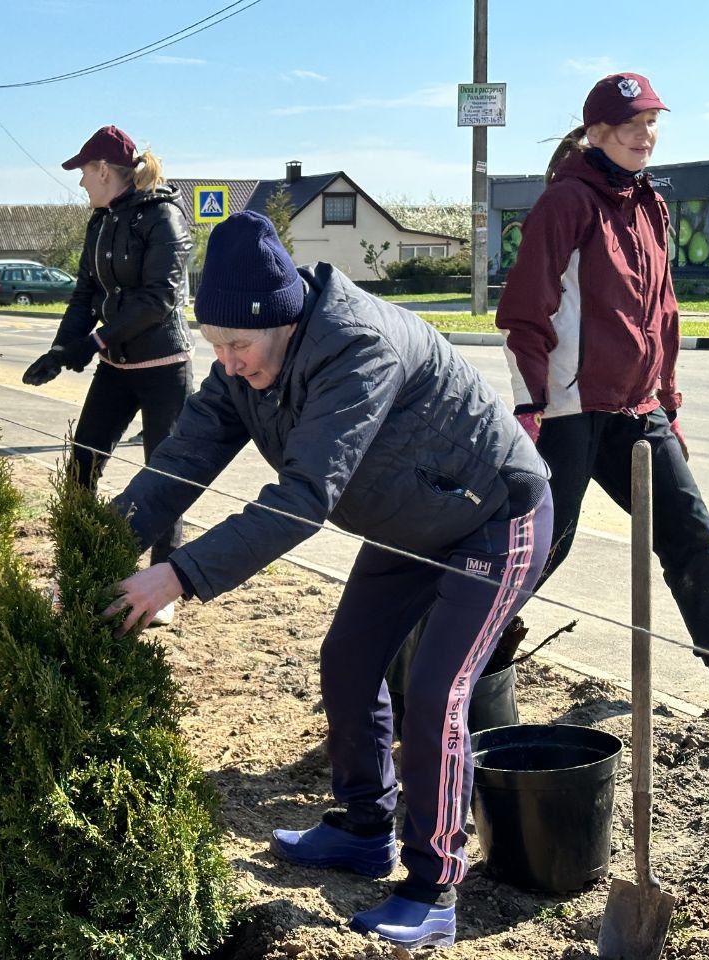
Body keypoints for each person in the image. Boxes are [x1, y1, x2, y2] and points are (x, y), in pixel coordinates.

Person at [106, 212, 553, 950]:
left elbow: (303, 499)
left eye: (237, 346)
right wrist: (98, 551)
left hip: (493, 516)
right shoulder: (242, 364)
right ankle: (360, 827)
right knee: (346, 660)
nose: (226, 363)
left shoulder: (356, 347)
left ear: (282, 320)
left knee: (438, 693)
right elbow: (177, 464)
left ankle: (434, 887)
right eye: (214, 346)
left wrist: (176, 576)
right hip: (410, 519)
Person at [496, 72, 709, 719]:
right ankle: (448, 664)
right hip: (570, 411)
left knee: (691, 534)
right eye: (633, 126)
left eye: (652, 124)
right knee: (545, 545)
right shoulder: (565, 203)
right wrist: (530, 405)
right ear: (597, 132)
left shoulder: (650, 204)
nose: (646, 136)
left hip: (639, 410)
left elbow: (663, 310)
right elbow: (524, 312)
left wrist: (669, 401)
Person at [22, 124, 192, 625]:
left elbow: (159, 298)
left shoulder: (163, 215)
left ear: (103, 171)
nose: (79, 184)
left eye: (82, 173)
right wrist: (59, 349)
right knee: (82, 464)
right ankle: (75, 568)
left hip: (163, 366)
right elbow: (83, 296)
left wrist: (93, 342)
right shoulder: (100, 222)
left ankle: (162, 586)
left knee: (165, 474)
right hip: (117, 367)